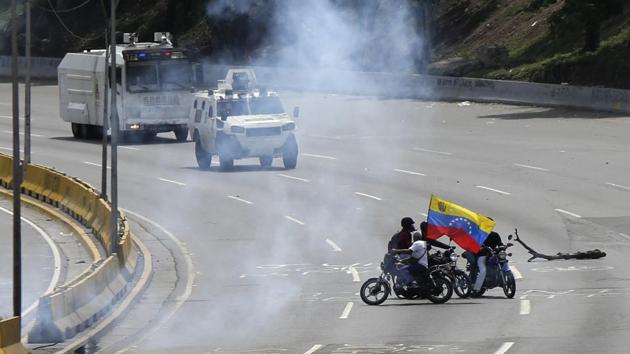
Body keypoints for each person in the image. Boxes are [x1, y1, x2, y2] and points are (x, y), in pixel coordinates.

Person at [471, 230, 504, 297]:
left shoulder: (495, 234)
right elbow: (475, 244)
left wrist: (502, 247)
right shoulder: (480, 235)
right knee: (483, 270)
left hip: (493, 255)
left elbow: (500, 244)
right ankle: (476, 289)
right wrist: (481, 248)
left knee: (503, 261)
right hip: (482, 255)